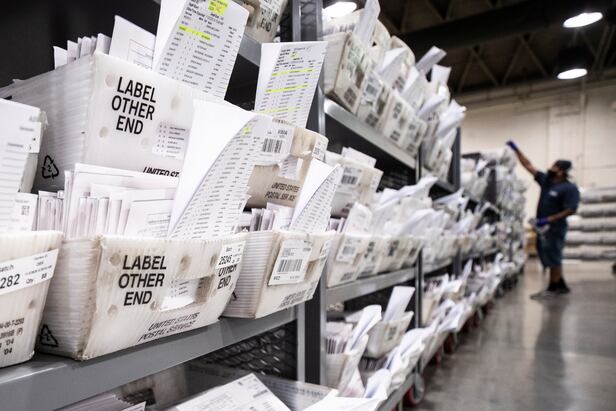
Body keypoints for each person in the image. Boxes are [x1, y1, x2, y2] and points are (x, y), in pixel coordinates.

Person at [506, 140, 580, 298]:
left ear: (561, 172)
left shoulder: (569, 188)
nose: (551, 168)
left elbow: (571, 209)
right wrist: (516, 150)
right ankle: (560, 284)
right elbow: (529, 166)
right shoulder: (547, 182)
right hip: (543, 227)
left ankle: (553, 288)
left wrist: (549, 219)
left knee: (554, 256)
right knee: (549, 255)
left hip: (555, 227)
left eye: (554, 167)